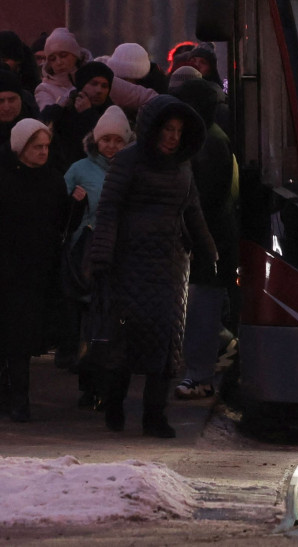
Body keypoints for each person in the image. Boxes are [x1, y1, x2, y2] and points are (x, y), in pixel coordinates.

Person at [86, 95, 219, 438]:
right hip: (129, 262)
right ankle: (114, 404)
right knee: (126, 337)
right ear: (153, 129)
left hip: (171, 263)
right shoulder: (128, 160)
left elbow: (192, 209)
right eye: (168, 129)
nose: (173, 136)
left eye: (179, 130)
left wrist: (208, 249)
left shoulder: (183, 165)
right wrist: (102, 255)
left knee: (166, 339)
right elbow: (110, 209)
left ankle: (154, 415)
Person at [170, 79, 239, 401]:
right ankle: (200, 371)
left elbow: (205, 200)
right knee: (202, 309)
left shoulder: (206, 143)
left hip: (206, 242)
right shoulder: (212, 138)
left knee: (200, 310)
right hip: (212, 240)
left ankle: (199, 375)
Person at [0, 119, 71, 422]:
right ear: (21, 148)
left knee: (21, 340)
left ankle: (19, 400)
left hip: (36, 270)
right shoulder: (5, 180)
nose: (43, 152)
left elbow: (59, 222)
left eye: (45, 146)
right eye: (36, 146)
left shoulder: (53, 181)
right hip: (7, 267)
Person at [63, 106, 132, 409]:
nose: (112, 146)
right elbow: (61, 213)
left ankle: (107, 386)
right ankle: (88, 386)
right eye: (106, 140)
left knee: (112, 323)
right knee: (88, 323)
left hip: (121, 255)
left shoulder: (132, 170)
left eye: (118, 141)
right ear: (96, 140)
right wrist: (73, 205)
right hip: (86, 256)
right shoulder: (79, 169)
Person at [46, 60, 115, 171]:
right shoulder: (64, 110)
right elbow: (43, 125)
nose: (99, 90)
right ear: (82, 84)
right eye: (93, 84)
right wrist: (58, 107)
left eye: (104, 86)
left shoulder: (112, 113)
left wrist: (88, 114)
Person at [34, 27, 85, 110]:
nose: (58, 62)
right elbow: (48, 119)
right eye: (52, 59)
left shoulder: (92, 80)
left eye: (63, 56)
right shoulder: (44, 89)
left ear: (76, 55)